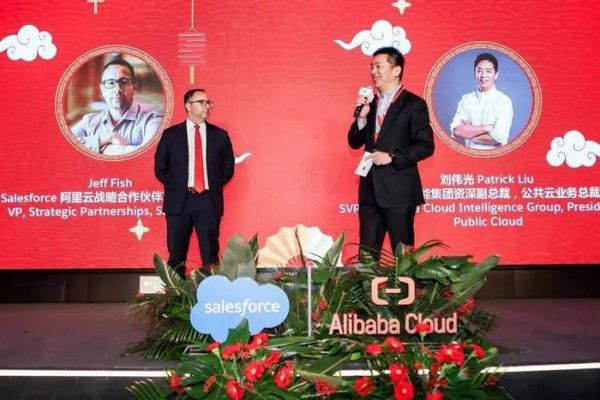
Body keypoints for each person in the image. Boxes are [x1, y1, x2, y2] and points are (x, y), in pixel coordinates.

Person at [348, 46, 434, 255]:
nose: (373, 71)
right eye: (372, 67)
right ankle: (368, 279)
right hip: (369, 191)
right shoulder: (371, 104)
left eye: (378, 66)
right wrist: (361, 117)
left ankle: (405, 280)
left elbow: (426, 146)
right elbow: (354, 142)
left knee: (402, 257)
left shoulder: (414, 104)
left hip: (399, 192)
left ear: (396, 70)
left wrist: (392, 156)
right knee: (367, 256)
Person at [154, 89, 235, 278]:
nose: (207, 106)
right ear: (188, 106)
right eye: (201, 102)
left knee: (210, 256)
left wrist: (211, 186)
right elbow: (160, 168)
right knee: (176, 256)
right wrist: (177, 187)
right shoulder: (171, 135)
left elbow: (228, 168)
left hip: (208, 201)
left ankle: (212, 292)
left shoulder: (219, 135)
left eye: (208, 102)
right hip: (179, 201)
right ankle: (175, 294)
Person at [71, 58, 162, 155]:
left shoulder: (153, 121)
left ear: (134, 87)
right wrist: (107, 138)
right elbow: (65, 145)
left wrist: (103, 149)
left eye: (124, 82)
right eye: (110, 83)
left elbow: (149, 155)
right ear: (102, 90)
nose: (117, 89)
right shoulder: (88, 122)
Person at [450, 53, 513, 150]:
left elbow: (500, 137)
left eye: (488, 71)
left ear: (496, 75)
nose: (483, 75)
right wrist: (487, 128)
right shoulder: (466, 99)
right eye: (479, 71)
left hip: (496, 156)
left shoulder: (503, 101)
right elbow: (457, 131)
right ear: (474, 74)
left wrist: (469, 133)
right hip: (468, 155)